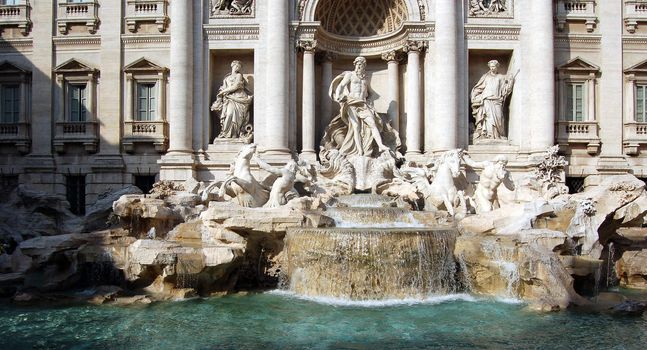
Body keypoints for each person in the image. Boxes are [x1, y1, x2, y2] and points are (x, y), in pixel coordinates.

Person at [321, 56, 394, 157]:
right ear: (355, 65)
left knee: (372, 123)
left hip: (363, 104)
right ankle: (359, 151)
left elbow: (371, 93)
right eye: (358, 64)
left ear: (364, 66)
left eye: (361, 64)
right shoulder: (350, 75)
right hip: (351, 102)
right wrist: (338, 97)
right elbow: (341, 86)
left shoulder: (365, 79)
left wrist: (369, 101)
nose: (359, 66)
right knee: (356, 127)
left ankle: (380, 145)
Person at [470, 60, 516, 141]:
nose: (492, 68)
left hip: (497, 101)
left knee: (499, 118)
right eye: (490, 67)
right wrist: (474, 95)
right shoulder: (485, 77)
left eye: (493, 66)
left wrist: (511, 81)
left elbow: (506, 90)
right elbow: (479, 88)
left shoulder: (501, 77)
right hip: (486, 100)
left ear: (497, 66)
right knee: (488, 118)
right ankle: (489, 135)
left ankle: (498, 135)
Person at [211, 60, 253, 139]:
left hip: (239, 98)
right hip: (228, 99)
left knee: (233, 115)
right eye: (236, 66)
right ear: (232, 66)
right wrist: (221, 92)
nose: (238, 68)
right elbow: (223, 87)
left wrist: (224, 91)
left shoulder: (239, 76)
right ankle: (225, 133)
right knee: (229, 114)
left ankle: (234, 135)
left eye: (239, 67)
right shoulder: (227, 78)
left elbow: (236, 86)